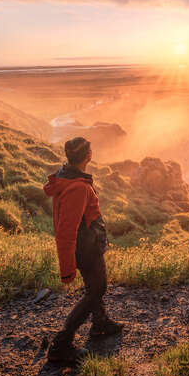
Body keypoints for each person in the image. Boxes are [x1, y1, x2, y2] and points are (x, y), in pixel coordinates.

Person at [43, 136, 123, 364]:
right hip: (85, 247)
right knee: (97, 289)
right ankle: (61, 345)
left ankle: (100, 324)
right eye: (90, 149)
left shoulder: (66, 175)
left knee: (94, 285)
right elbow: (66, 231)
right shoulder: (78, 187)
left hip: (89, 243)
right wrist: (67, 269)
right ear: (87, 155)